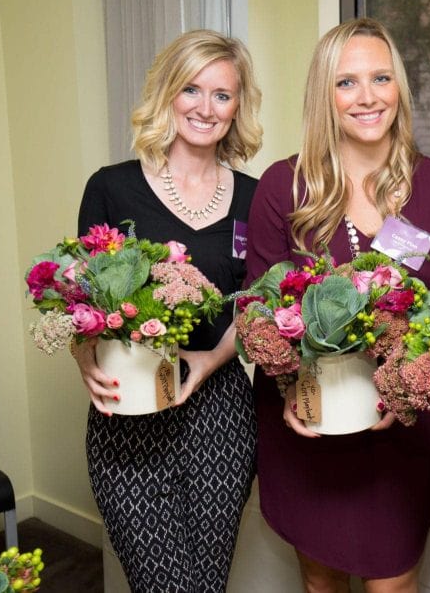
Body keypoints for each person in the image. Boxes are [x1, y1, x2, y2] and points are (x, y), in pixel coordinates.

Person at [245, 18, 430, 592]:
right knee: (320, 583)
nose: (368, 97)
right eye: (347, 82)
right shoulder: (284, 186)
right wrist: (288, 392)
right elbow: (256, 305)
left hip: (397, 432)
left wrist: (405, 391)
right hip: (309, 426)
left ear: (399, 87)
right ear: (324, 95)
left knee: (391, 583)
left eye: (381, 77)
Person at [72, 29, 262, 592]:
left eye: (222, 95)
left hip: (222, 416)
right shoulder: (111, 188)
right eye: (191, 90)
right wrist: (84, 357)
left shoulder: (256, 197)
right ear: (167, 94)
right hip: (130, 417)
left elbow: (256, 303)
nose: (206, 108)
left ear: (237, 107)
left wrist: (208, 359)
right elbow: (79, 297)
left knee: (206, 583)